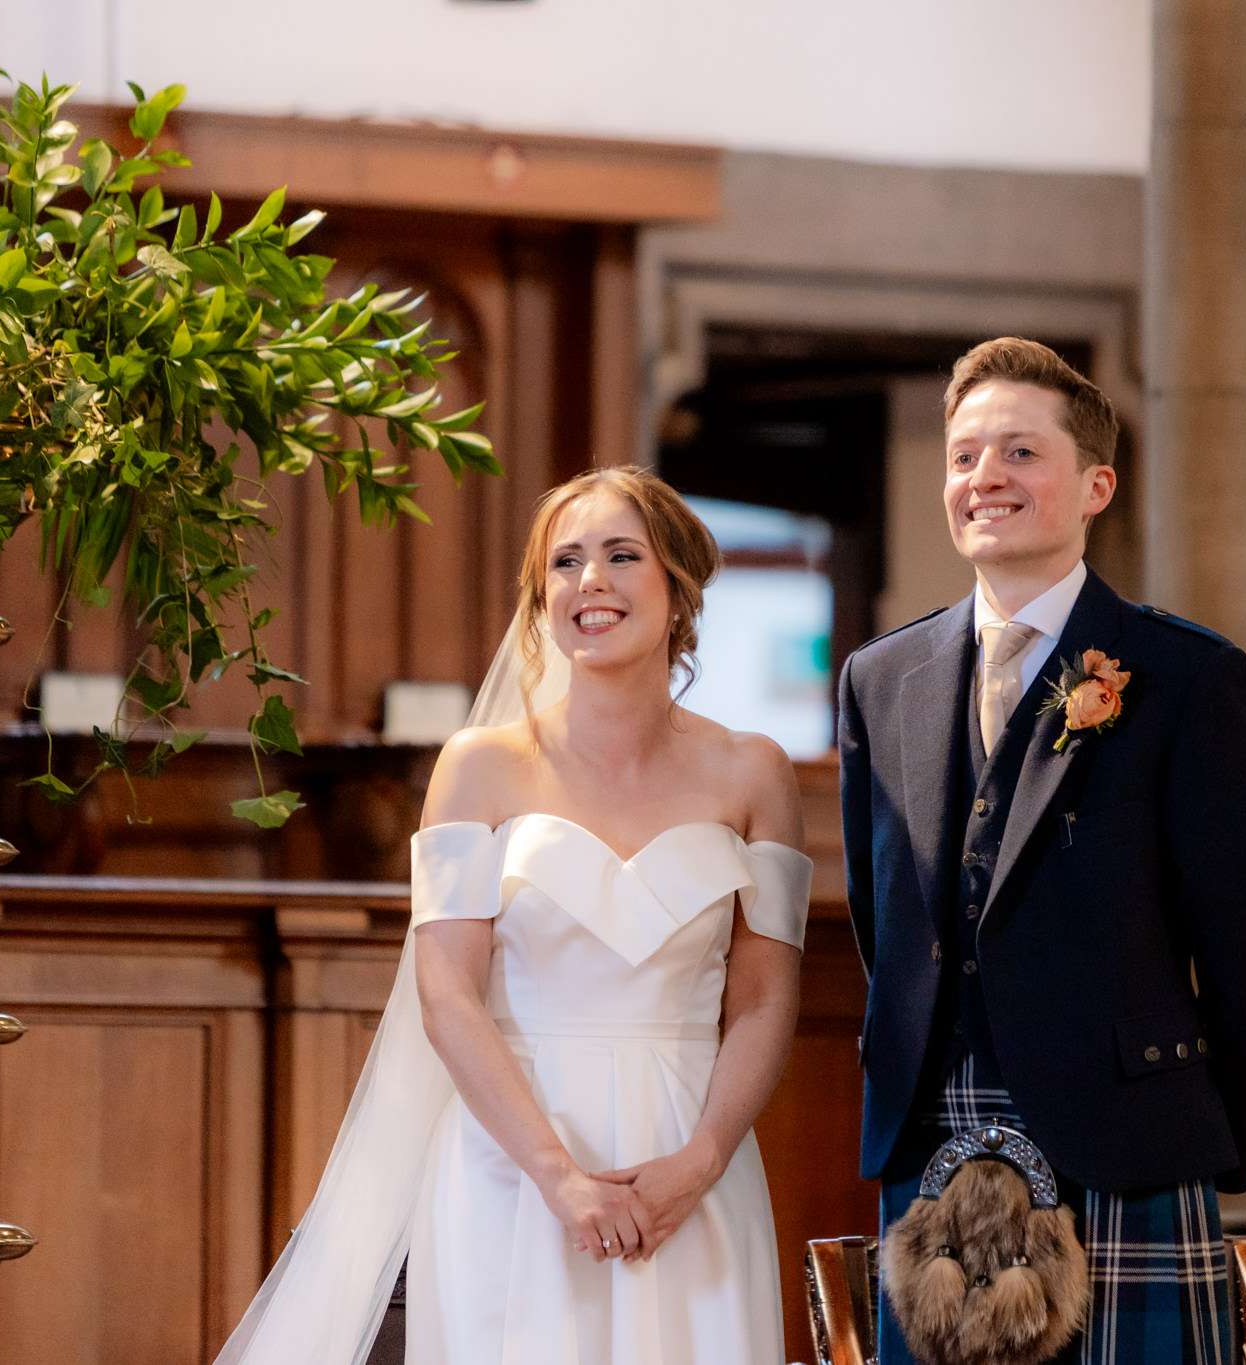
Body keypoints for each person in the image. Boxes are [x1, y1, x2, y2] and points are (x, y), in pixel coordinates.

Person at [215, 466, 811, 1365]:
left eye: (620, 555)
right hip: (515, 1163)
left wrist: (701, 1162)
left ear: (678, 587)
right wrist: (561, 1178)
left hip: (692, 1157)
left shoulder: (754, 772)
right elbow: (447, 989)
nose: (590, 583)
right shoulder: (478, 767)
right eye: (564, 563)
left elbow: (766, 997)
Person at [837, 338, 1246, 1364]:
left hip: (1129, 1142)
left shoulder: (1186, 676)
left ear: (1095, 483)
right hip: (933, 1142)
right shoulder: (879, 681)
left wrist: (1190, 1131)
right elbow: (883, 926)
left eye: (1019, 452)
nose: (983, 479)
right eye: (964, 456)